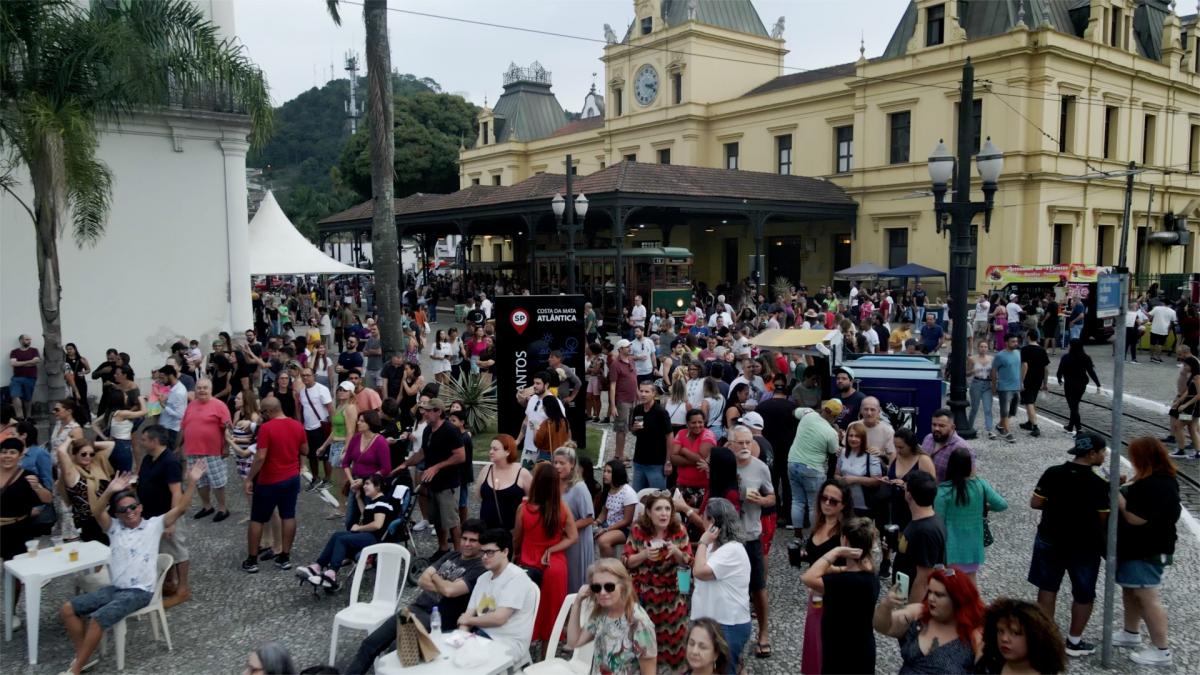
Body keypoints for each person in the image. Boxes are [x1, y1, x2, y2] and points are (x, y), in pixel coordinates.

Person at [60, 463, 204, 675]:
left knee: (99, 618)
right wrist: (109, 490)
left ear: (140, 508)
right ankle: (83, 655)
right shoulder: (113, 528)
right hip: (116, 589)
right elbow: (96, 511)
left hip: (140, 591)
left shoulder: (154, 525)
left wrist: (191, 482)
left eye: (133, 507)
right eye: (123, 510)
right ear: (117, 514)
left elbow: (181, 508)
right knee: (67, 609)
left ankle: (76, 669)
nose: (129, 512)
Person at [346, 521, 488, 672]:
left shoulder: (478, 568)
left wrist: (435, 577)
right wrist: (443, 584)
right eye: (464, 538)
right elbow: (422, 579)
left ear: (482, 544)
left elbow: (449, 592)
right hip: (415, 609)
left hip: (436, 618)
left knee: (395, 654)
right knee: (370, 644)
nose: (466, 544)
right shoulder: (452, 555)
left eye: (473, 540)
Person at [1027, 431, 1110, 656]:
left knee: (1047, 587)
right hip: (1084, 546)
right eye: (1103, 451)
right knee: (1083, 593)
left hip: (1049, 539)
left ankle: (1045, 638)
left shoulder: (1052, 473)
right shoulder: (1100, 484)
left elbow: (1036, 502)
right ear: (1092, 454)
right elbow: (1103, 518)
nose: (1104, 455)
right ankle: (1074, 642)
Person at [1112, 437, 1181, 666]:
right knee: (1131, 589)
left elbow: (1135, 518)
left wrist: (1118, 496)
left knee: (1147, 596)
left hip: (1147, 549)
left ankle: (1162, 650)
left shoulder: (1155, 484)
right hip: (1137, 548)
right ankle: (1131, 633)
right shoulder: (1158, 478)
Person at [801, 517, 880, 675]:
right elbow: (837, 571)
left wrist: (835, 551)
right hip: (863, 648)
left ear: (844, 540)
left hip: (840, 650)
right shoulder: (870, 576)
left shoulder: (841, 582)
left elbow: (808, 577)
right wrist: (841, 568)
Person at [623, 491, 692, 669]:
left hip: (671, 597)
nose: (664, 513)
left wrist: (676, 552)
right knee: (643, 647)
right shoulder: (638, 530)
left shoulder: (679, 531)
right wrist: (644, 554)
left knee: (675, 648)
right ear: (648, 512)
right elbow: (626, 561)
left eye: (668, 509)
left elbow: (688, 563)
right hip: (643, 597)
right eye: (659, 509)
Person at [514, 463, 579, 651]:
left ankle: (522, 654)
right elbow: (573, 537)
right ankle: (544, 658)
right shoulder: (561, 508)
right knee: (551, 615)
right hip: (554, 564)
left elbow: (517, 539)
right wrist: (552, 549)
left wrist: (515, 556)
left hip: (528, 562)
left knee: (525, 612)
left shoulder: (524, 509)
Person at [873, 566, 984, 674]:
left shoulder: (973, 633)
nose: (931, 598)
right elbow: (882, 626)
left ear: (957, 599)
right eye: (930, 592)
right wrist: (886, 605)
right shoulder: (919, 613)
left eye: (939, 595)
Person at [297, 473, 396, 590]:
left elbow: (377, 524)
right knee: (336, 535)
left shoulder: (382, 502)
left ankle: (332, 573)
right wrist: (359, 497)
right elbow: (366, 514)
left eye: (368, 484)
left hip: (375, 538)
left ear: (378, 486)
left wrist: (359, 528)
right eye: (364, 484)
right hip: (368, 535)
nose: (364, 487)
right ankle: (318, 566)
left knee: (342, 540)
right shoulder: (374, 502)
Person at [242, 396, 307, 573]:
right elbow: (305, 450)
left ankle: (252, 560)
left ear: (269, 411)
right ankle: (285, 556)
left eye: (263, 412)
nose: (262, 416)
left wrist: (249, 478)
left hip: (269, 480)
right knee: (288, 515)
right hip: (291, 477)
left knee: (257, 519)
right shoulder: (296, 425)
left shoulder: (266, 428)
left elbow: (260, 457)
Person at [457, 528, 538, 665]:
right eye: (483, 552)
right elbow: (468, 614)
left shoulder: (516, 578)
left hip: (507, 642)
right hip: (482, 637)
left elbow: (499, 618)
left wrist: (469, 620)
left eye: (490, 552)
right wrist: (461, 639)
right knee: (452, 657)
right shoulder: (483, 578)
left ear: (505, 552)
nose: (484, 557)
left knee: (465, 665)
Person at [728, 425, 775, 659]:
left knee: (758, 587)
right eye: (740, 443)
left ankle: (763, 633)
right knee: (730, 589)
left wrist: (763, 500)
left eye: (748, 442)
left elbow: (772, 497)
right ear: (731, 444)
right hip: (728, 539)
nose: (745, 447)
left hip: (751, 535)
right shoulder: (725, 466)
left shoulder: (760, 468)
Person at [397, 398, 465, 558]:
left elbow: (461, 456)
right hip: (432, 483)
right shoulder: (428, 429)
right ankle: (443, 549)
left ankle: (459, 555)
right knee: (437, 519)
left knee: (452, 521)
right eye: (423, 410)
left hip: (448, 483)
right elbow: (423, 452)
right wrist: (405, 464)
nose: (424, 413)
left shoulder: (450, 430)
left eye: (428, 410)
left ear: (438, 412)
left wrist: (436, 467)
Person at [566, 558, 659, 675]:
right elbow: (573, 642)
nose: (602, 593)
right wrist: (578, 602)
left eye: (609, 587)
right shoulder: (601, 612)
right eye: (596, 588)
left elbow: (649, 672)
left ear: (623, 586)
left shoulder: (639, 622)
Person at [689, 498, 751, 673]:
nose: (701, 518)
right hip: (709, 620)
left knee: (724, 670)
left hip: (727, 623)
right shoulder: (713, 547)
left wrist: (702, 541)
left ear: (713, 523)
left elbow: (700, 571)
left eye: (704, 516)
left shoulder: (732, 550)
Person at [136, 425, 193, 607]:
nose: (141, 442)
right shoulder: (148, 459)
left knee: (177, 550)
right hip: (151, 514)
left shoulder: (170, 462)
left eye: (144, 439)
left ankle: (183, 589)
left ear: (155, 441)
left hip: (166, 514)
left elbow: (176, 492)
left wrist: (172, 521)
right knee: (162, 549)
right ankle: (169, 583)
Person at [934, 448, 1007, 582]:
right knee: (970, 583)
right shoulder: (980, 485)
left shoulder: (943, 491)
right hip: (974, 547)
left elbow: (938, 522)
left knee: (952, 585)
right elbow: (1002, 504)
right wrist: (986, 507)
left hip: (951, 549)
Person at [798, 479, 848, 674]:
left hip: (833, 596)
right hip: (816, 594)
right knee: (813, 642)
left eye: (833, 501)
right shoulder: (818, 523)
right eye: (824, 498)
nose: (827, 503)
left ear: (843, 505)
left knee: (826, 644)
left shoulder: (845, 532)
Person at [179, 379, 232, 521]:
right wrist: (178, 446)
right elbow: (184, 427)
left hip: (213, 451)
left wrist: (226, 447)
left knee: (217, 482)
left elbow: (228, 429)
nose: (202, 390)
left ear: (211, 389)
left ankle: (222, 508)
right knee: (199, 482)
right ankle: (207, 506)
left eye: (205, 388)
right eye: (199, 388)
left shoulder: (220, 405)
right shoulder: (191, 405)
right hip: (193, 451)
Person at [787, 400, 842, 539]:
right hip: (813, 469)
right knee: (814, 505)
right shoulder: (831, 432)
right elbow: (834, 450)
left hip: (793, 462)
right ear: (834, 416)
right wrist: (838, 434)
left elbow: (794, 412)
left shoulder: (809, 414)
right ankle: (814, 536)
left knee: (797, 501)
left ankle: (797, 535)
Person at [894, 470, 946, 603]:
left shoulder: (925, 531)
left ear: (909, 495)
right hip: (903, 590)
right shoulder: (924, 520)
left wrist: (909, 614)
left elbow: (923, 578)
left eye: (905, 488)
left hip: (912, 598)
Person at [976, 598, 1067, 675]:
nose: (1004, 639)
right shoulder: (991, 664)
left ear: (1035, 637)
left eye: (1015, 633)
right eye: (1000, 631)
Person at [0, 438, 54, 561]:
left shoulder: (27, 476)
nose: (7, 456)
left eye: (12, 452)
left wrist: (37, 487)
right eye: (3, 452)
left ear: (20, 456)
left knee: (17, 571)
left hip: (17, 531)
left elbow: (48, 499)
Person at [56, 436, 114, 544]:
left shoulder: (95, 465)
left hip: (108, 515)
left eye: (91, 454)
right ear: (74, 455)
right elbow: (61, 451)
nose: (88, 457)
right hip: (89, 522)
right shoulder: (72, 473)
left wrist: (89, 443)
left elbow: (110, 445)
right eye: (83, 454)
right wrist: (70, 440)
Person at [339, 410, 391, 530]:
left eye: (362, 421)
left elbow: (386, 469)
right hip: (356, 482)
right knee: (350, 520)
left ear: (370, 423)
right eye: (359, 420)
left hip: (372, 485)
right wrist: (352, 481)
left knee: (369, 519)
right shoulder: (356, 439)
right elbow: (345, 463)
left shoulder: (380, 442)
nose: (358, 423)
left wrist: (366, 481)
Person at [555, 446, 596, 591]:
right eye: (555, 463)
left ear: (572, 464)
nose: (558, 467)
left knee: (575, 577)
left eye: (562, 463)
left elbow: (588, 519)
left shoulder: (579, 487)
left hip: (576, 541)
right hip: (560, 539)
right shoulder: (555, 484)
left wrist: (566, 529)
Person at [478, 433, 532, 531]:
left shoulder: (522, 473)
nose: (490, 452)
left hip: (512, 532)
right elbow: (479, 496)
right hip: (486, 531)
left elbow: (533, 501)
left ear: (507, 452)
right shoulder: (486, 470)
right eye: (490, 448)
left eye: (495, 449)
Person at [629, 382, 671, 491]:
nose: (643, 394)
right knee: (638, 496)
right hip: (639, 462)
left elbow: (670, 437)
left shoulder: (661, 412)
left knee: (657, 497)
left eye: (647, 391)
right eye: (641, 391)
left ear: (654, 393)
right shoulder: (638, 409)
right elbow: (633, 431)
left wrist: (668, 461)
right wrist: (634, 429)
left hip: (656, 463)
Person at [298, 368, 334, 492]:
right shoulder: (302, 392)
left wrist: (334, 426)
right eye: (303, 375)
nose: (305, 378)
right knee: (311, 455)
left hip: (321, 426)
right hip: (308, 428)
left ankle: (328, 479)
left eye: (308, 375)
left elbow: (330, 408)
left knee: (325, 455)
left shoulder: (322, 389)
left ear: (314, 376)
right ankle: (315, 478)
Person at [837, 421, 884, 517]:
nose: (853, 439)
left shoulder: (871, 455)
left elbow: (877, 480)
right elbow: (836, 474)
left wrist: (855, 479)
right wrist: (842, 480)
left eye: (857, 436)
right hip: (845, 503)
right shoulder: (842, 452)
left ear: (863, 438)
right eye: (851, 435)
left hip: (865, 506)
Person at [1056, 338, 1102, 435]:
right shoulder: (1086, 357)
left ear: (1071, 346)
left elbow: (1060, 370)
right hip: (1081, 385)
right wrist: (1098, 384)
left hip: (1069, 384)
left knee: (1073, 407)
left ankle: (1079, 429)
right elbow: (1091, 372)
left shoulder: (1066, 357)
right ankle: (1070, 426)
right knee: (1075, 405)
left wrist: (1059, 378)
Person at [920, 408, 976, 483]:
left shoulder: (963, 448)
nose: (936, 428)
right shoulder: (927, 439)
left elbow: (970, 480)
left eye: (941, 426)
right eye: (934, 425)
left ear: (952, 427)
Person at [596, 459, 638, 557]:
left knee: (603, 541)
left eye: (609, 472)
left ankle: (612, 568)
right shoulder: (608, 488)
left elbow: (627, 520)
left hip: (624, 529)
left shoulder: (628, 492)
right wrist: (596, 522)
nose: (605, 474)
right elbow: (604, 511)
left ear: (617, 473)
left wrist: (606, 529)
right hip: (609, 524)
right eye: (604, 471)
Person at [608, 340, 639, 462]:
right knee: (621, 429)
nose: (629, 348)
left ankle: (621, 453)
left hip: (633, 400)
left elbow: (634, 379)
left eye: (630, 346)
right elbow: (612, 386)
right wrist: (613, 405)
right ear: (620, 349)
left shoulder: (631, 361)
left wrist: (638, 395)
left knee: (629, 428)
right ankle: (618, 455)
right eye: (627, 347)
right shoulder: (615, 365)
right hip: (622, 401)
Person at [1168, 344, 1200, 457]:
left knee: (1178, 425)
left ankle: (1181, 450)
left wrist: (1185, 405)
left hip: (1192, 407)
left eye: (1186, 365)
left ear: (1192, 365)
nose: (1184, 367)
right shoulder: (1193, 376)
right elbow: (1188, 391)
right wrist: (1178, 402)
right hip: (1191, 407)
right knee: (1192, 428)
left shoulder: (1197, 377)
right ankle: (1198, 452)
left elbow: (1198, 395)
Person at [1018, 329, 1050, 438]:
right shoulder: (1042, 350)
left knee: (1029, 402)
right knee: (1032, 401)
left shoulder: (1025, 349)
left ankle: (1035, 426)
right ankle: (1029, 422)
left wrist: (1021, 381)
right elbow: (1046, 369)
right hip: (1038, 379)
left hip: (1028, 380)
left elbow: (1025, 366)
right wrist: (1045, 383)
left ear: (1028, 337)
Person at [992, 333, 1022, 443]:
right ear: (1006, 343)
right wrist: (994, 386)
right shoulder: (1000, 356)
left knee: (1013, 411)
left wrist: (1021, 383)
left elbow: (1018, 369)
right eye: (1013, 341)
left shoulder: (1018, 353)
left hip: (1016, 386)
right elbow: (994, 371)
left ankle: (1000, 426)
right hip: (1004, 387)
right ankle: (1007, 432)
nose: (1015, 343)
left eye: (1016, 341)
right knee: (1004, 410)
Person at [967, 340, 997, 439]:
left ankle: (990, 430)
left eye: (985, 347)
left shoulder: (992, 359)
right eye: (981, 346)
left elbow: (993, 373)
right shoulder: (972, 359)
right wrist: (972, 370)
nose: (983, 349)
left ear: (987, 348)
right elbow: (966, 374)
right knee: (974, 408)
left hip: (987, 384)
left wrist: (994, 386)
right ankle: (969, 427)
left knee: (988, 408)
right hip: (976, 383)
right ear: (978, 347)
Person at [8, 334, 40, 420]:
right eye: (27, 339)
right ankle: (20, 418)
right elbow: (13, 363)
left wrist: (20, 363)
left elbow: (36, 361)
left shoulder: (34, 350)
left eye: (30, 339)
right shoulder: (14, 352)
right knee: (14, 395)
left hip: (30, 377)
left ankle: (28, 417)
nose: (29, 341)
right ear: (21, 340)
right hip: (17, 378)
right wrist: (30, 362)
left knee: (28, 398)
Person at [533, 393, 571, 463]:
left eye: (543, 407)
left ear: (546, 408)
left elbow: (538, 442)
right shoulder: (565, 421)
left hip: (546, 456)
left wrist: (535, 430)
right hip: (563, 455)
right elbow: (569, 438)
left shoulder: (546, 424)